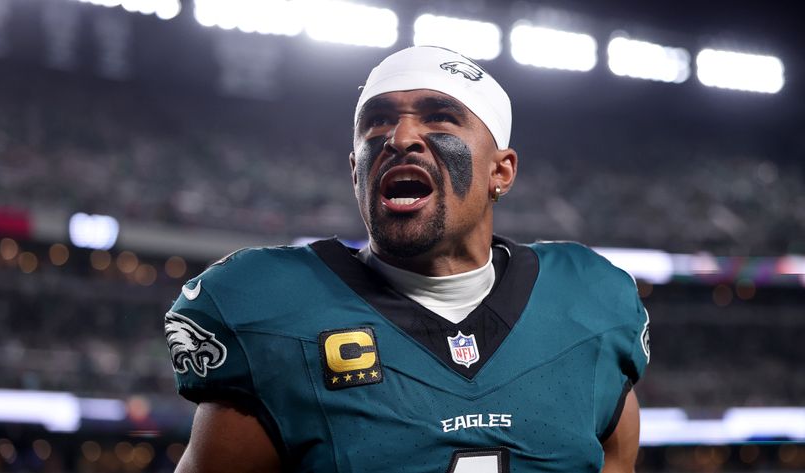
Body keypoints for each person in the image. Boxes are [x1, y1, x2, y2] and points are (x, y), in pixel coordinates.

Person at [164, 46, 650, 473]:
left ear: (499, 171)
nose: (398, 138)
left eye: (439, 116)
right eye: (376, 121)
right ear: (356, 171)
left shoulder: (592, 305)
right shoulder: (272, 306)